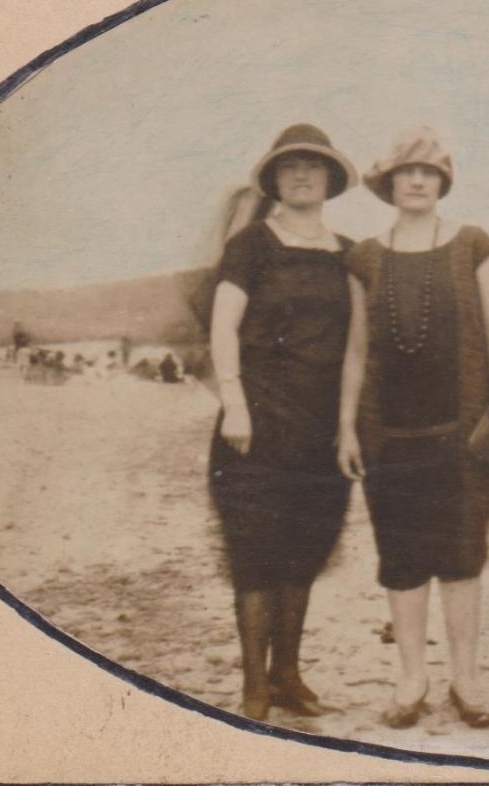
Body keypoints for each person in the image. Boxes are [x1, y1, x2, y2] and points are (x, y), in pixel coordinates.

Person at [337, 127, 489, 731]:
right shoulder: (364, 257)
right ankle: (411, 678)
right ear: (388, 183)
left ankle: (466, 679)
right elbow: (356, 353)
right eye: (406, 172)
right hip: (389, 437)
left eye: (429, 172)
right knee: (402, 559)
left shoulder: (472, 245)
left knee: (463, 556)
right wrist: (345, 428)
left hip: (462, 434)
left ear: (443, 182)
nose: (417, 181)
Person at [207, 123, 360, 722]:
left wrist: (350, 425)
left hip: (322, 429)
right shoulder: (251, 245)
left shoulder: (348, 253)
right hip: (257, 423)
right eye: (290, 166)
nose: (302, 175)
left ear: (329, 180)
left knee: (307, 550)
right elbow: (223, 327)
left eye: (314, 166)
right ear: (274, 178)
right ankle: (253, 687)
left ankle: (287, 676)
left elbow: (358, 345)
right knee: (256, 553)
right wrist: (235, 403)